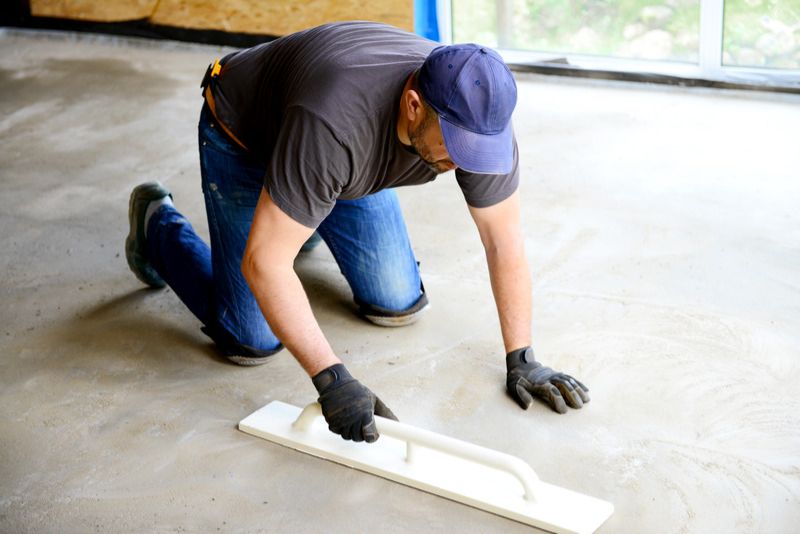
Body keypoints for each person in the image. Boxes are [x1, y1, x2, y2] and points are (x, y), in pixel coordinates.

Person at [125, 21, 589, 444]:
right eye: (456, 151)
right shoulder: (335, 123)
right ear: (413, 106)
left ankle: (301, 210)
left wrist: (522, 355)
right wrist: (333, 380)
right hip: (246, 135)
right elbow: (262, 263)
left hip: (336, 161)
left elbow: (502, 239)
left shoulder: (477, 117)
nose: (464, 165)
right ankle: (156, 226)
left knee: (397, 303)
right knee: (251, 338)